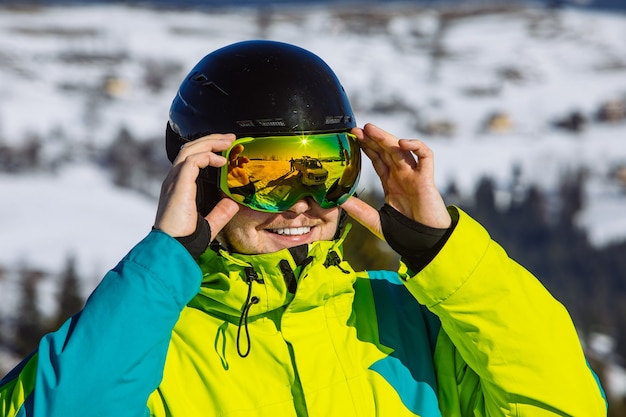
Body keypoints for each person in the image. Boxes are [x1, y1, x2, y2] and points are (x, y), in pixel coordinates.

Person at [0, 40, 606, 417]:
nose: (301, 206)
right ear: (205, 177)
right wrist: (163, 265)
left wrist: (448, 255)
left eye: (327, 172)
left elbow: (563, 404)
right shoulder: (146, 343)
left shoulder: (411, 320)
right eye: (265, 173)